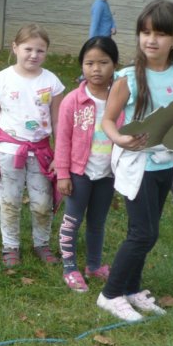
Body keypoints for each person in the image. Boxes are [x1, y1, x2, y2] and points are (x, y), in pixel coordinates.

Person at [98, 0, 173, 321]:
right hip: (138, 165)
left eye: (160, 34)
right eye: (145, 32)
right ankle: (110, 294)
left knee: (148, 230)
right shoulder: (128, 78)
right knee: (143, 234)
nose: (151, 40)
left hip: (166, 162)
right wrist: (120, 138)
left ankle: (132, 288)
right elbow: (108, 120)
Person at [0, 24, 65, 267]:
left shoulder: (52, 82)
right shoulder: (1, 81)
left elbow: (58, 122)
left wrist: (60, 156)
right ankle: (10, 246)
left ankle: (42, 243)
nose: (34, 55)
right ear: (15, 48)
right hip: (9, 151)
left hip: (41, 152)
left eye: (40, 50)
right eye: (28, 49)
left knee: (42, 203)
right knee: (10, 200)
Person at [55, 37, 120, 292]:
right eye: (89, 63)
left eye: (103, 62)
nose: (96, 69)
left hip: (107, 174)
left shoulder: (120, 99)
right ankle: (69, 267)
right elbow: (62, 139)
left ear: (114, 65)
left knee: (97, 222)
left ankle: (93, 265)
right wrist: (63, 174)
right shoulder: (72, 101)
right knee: (72, 220)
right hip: (78, 173)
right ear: (81, 65)